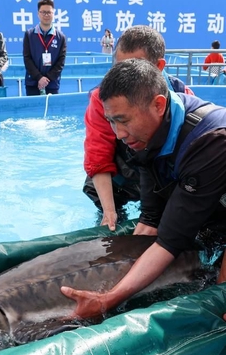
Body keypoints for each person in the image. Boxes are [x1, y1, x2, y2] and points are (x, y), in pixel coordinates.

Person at [62, 58, 226, 318]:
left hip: (214, 173)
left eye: (123, 121)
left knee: (221, 304)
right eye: (111, 122)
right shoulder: (147, 130)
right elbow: (150, 216)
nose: (118, 134)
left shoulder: (210, 142)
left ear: (158, 105)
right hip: (207, 192)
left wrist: (108, 299)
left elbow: (170, 242)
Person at [83, 25, 194, 231]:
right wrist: (109, 212)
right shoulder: (103, 99)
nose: (125, 76)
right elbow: (97, 157)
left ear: (159, 66)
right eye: (119, 67)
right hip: (121, 178)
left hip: (161, 175)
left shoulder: (184, 99)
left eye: (135, 66)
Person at [23, 0, 67, 95]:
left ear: (53, 14)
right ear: (38, 13)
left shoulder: (61, 37)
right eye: (43, 12)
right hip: (33, 83)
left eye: (49, 12)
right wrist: (39, 77)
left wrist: (47, 78)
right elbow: (27, 59)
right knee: (33, 109)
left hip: (52, 84)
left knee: (52, 110)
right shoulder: (29, 35)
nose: (46, 15)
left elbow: (61, 62)